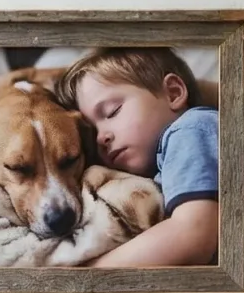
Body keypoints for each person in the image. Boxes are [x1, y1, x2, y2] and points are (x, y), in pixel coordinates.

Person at [57, 47, 219, 268]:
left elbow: (193, 236)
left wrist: (88, 274)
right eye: (93, 131)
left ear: (173, 93)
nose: (101, 137)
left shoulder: (190, 130)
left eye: (112, 111)